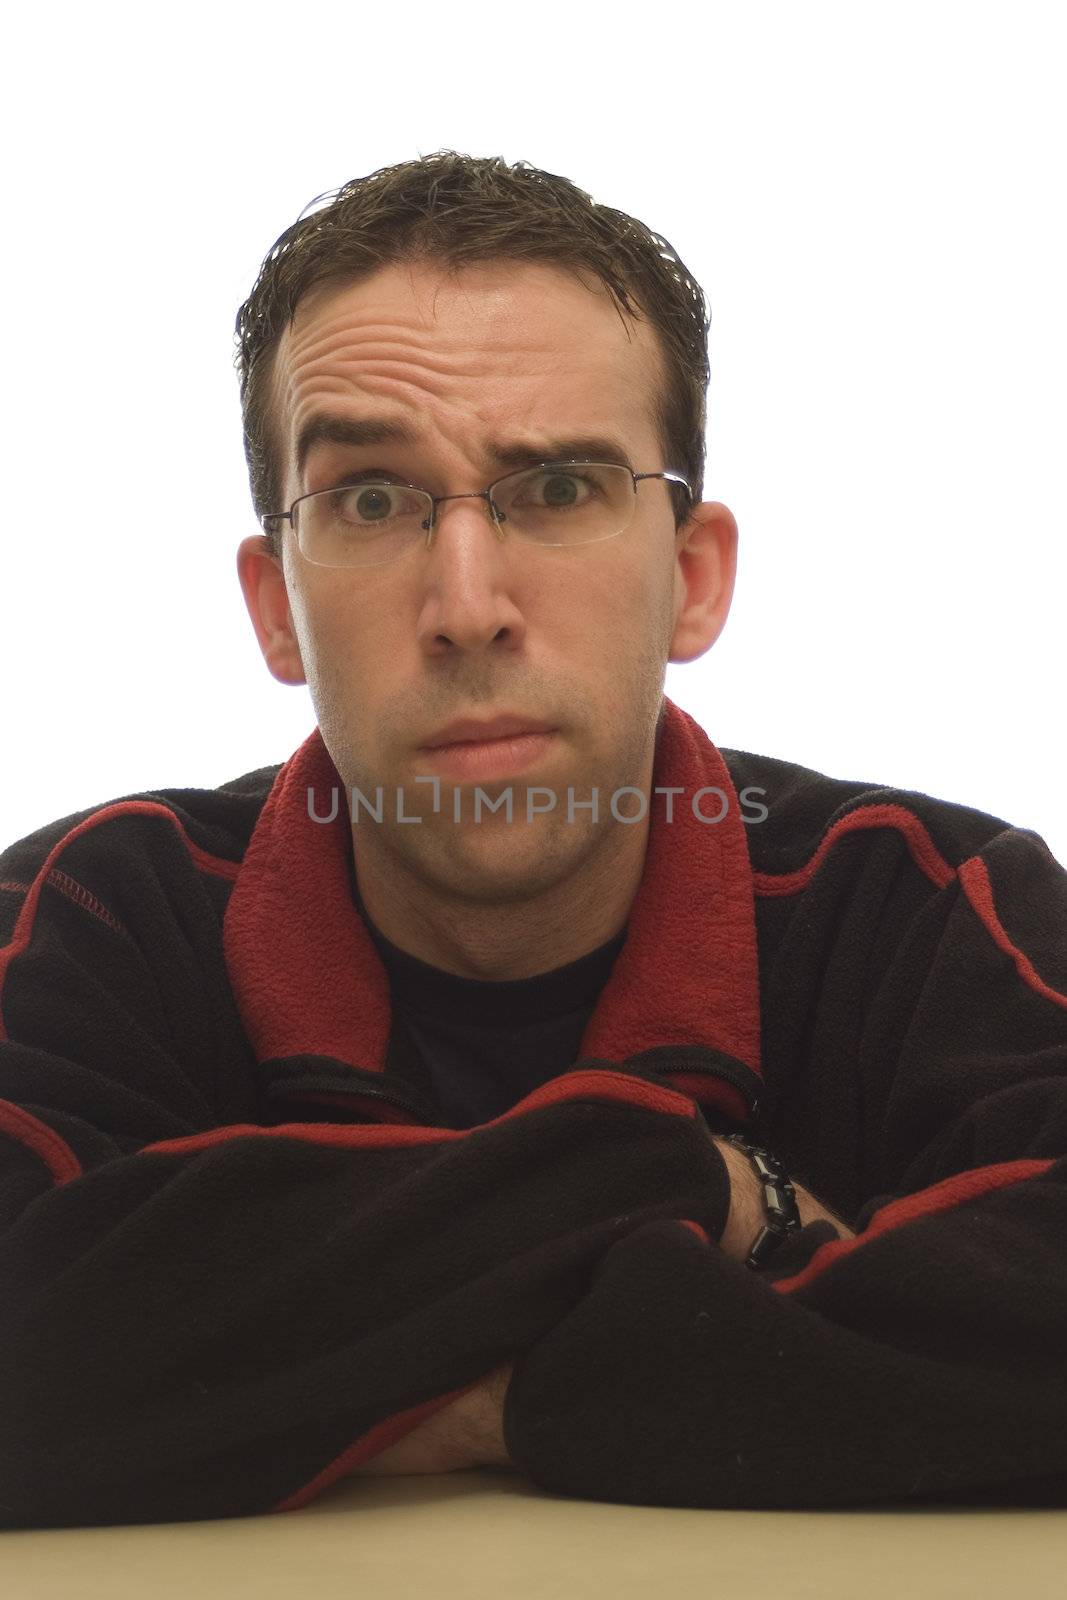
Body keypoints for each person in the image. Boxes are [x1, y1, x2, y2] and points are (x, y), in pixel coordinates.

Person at [1, 151, 1065, 1531]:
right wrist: (693, 1187)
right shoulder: (91, 914)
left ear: (691, 576)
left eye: (557, 487)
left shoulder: (931, 904)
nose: (467, 602)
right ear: (276, 606)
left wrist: (475, 1396)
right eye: (373, 499)